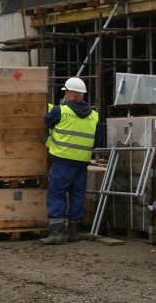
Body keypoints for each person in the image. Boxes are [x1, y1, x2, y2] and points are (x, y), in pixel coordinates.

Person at [40, 77, 99, 245]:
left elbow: (47, 121)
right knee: (77, 194)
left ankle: (57, 233)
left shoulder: (61, 111)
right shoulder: (94, 116)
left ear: (73, 95)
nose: (64, 95)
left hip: (62, 160)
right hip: (81, 162)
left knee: (57, 193)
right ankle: (74, 232)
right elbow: (97, 141)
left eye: (66, 92)